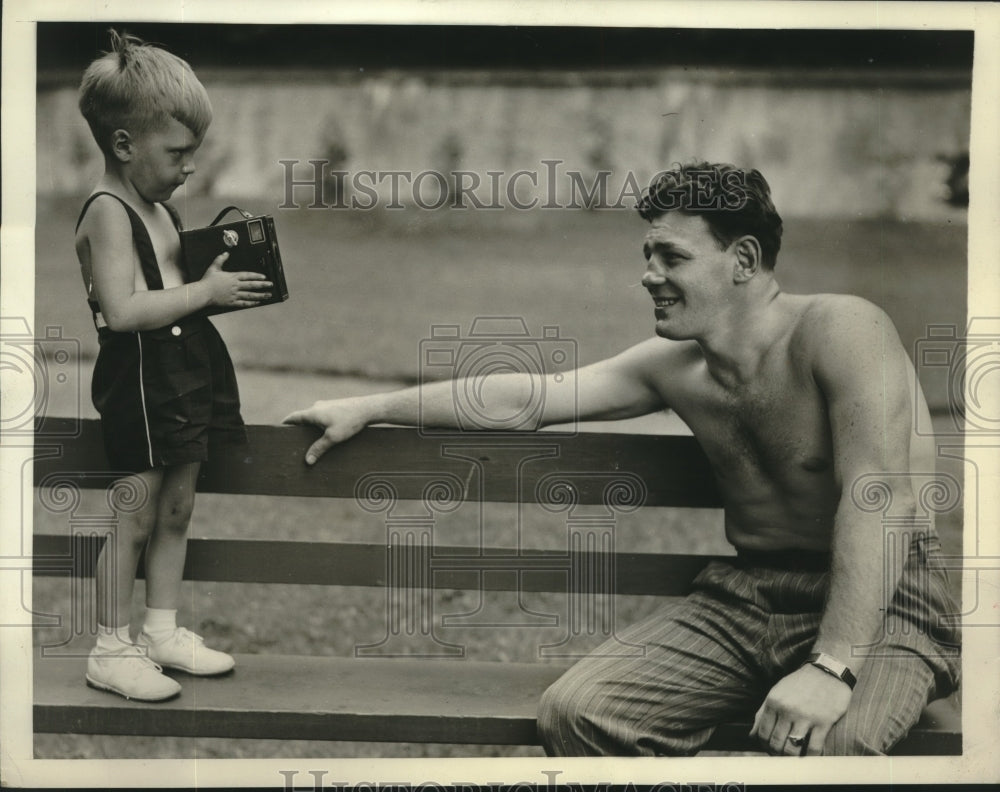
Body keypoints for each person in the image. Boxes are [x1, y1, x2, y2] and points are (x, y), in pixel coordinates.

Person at [283, 162, 960, 755]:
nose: (648, 275)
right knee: (581, 713)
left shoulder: (845, 330)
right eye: (647, 255)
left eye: (671, 257)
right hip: (751, 599)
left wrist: (832, 667)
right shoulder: (677, 367)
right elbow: (530, 396)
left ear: (745, 260)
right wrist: (372, 405)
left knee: (837, 747)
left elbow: (882, 496)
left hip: (885, 604)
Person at [74, 31, 273, 701]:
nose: (190, 166)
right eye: (178, 152)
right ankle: (110, 647)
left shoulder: (159, 207)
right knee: (133, 513)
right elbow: (124, 311)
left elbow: (171, 295)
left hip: (184, 370)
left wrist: (218, 278)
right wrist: (202, 293)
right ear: (125, 145)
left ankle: (160, 632)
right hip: (139, 376)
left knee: (179, 506)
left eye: (195, 152)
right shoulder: (107, 212)